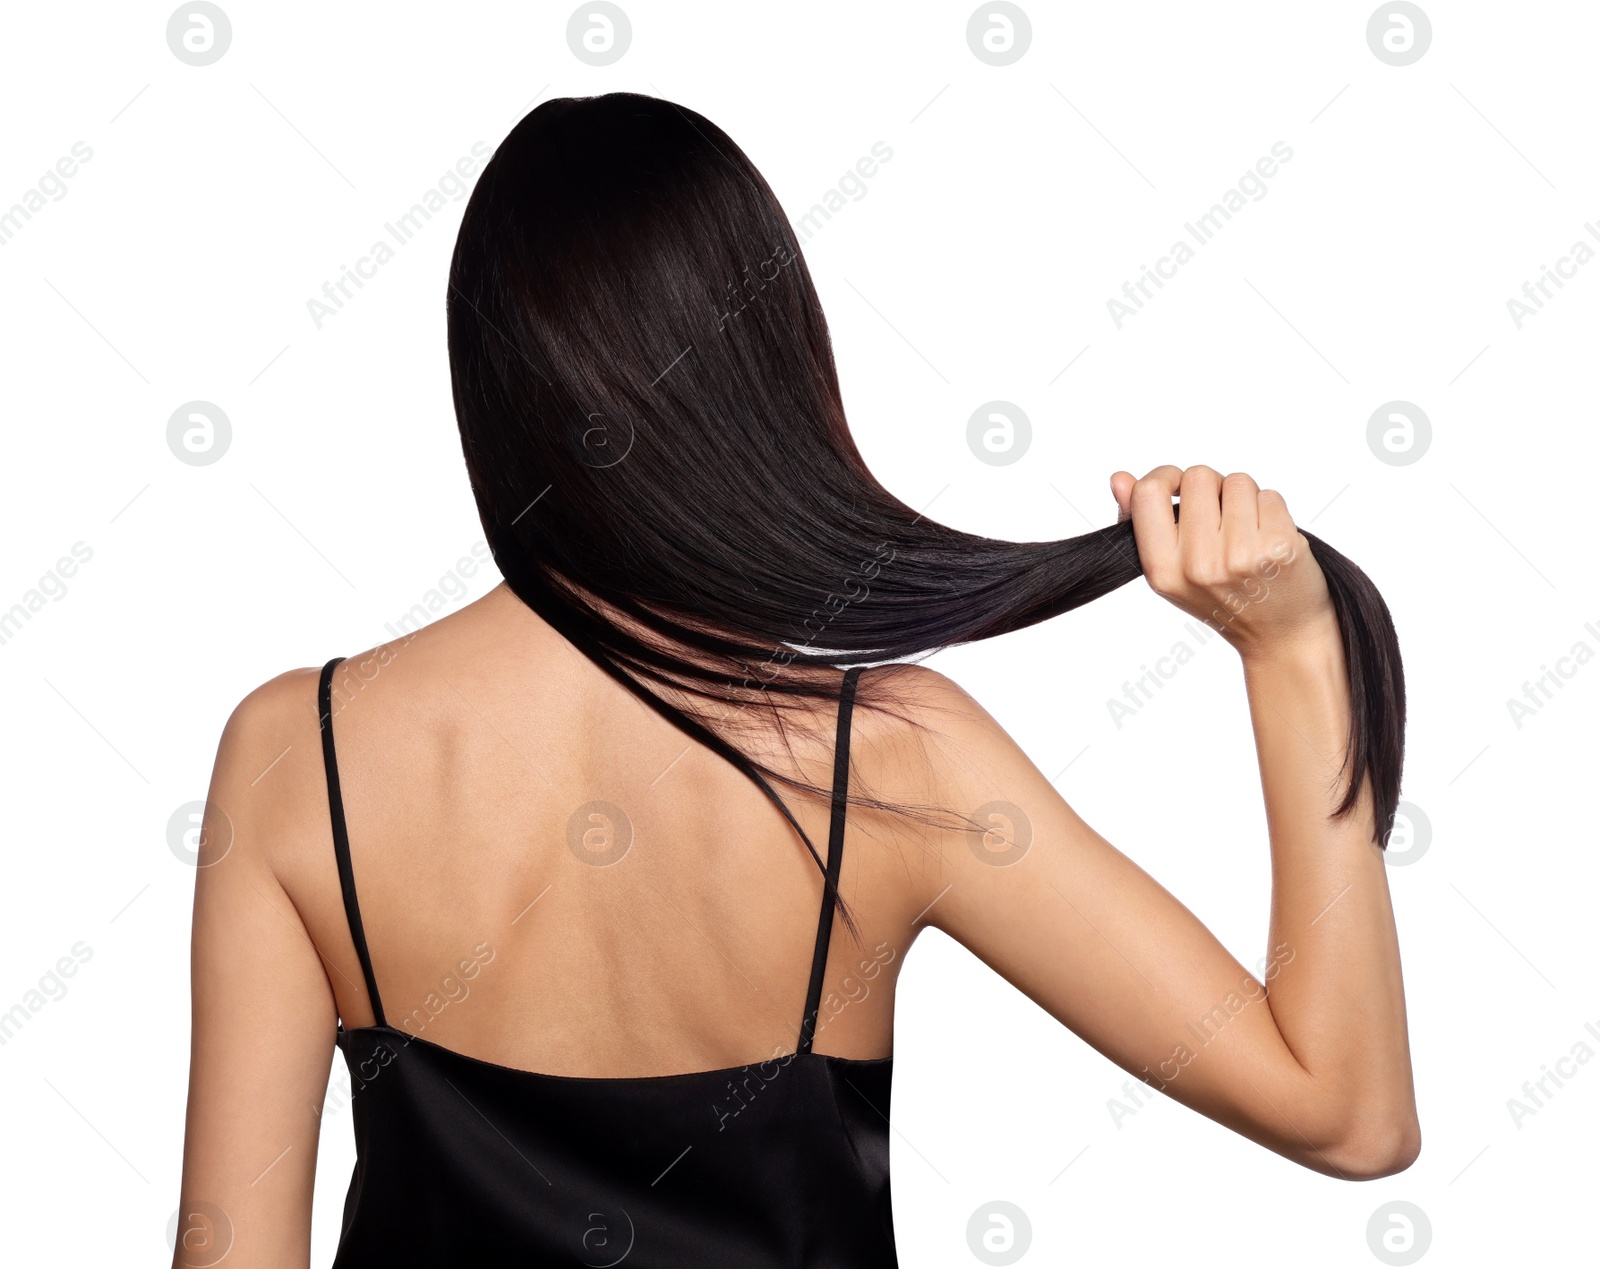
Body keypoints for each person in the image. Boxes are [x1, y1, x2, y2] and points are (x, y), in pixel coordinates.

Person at [173, 93, 1418, 1268]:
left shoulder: (298, 752)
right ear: (764, 368)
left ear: (490, 386)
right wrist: (1295, 655)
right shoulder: (885, 759)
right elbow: (1346, 1116)